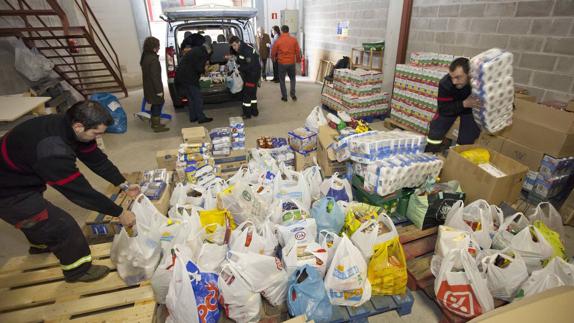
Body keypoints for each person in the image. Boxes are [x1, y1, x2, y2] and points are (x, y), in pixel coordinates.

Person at [0, 101, 140, 283]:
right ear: (79, 126)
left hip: (19, 174)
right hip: (7, 191)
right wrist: (119, 212)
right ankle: (78, 270)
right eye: (96, 133)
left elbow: (96, 160)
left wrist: (122, 183)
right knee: (62, 226)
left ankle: (40, 245)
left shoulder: (69, 127)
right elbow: (79, 192)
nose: (98, 137)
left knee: (36, 217)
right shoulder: (52, 150)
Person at [425, 57, 481, 153]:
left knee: (468, 137)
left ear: (469, 74)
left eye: (458, 77)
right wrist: (464, 104)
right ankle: (429, 153)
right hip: (451, 106)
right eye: (452, 77)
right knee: (436, 129)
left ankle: (459, 157)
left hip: (470, 108)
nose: (454, 81)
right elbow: (443, 109)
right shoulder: (445, 83)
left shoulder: (479, 80)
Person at [175, 37, 213, 124]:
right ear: (208, 49)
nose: (209, 55)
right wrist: (205, 70)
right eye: (210, 53)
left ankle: (193, 117)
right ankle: (201, 118)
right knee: (198, 98)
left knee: (191, 98)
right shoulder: (203, 53)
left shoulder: (196, 50)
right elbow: (199, 68)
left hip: (181, 76)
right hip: (189, 77)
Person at [140, 36, 168, 133]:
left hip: (148, 87)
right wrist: (159, 91)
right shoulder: (153, 60)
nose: (159, 48)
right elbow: (155, 77)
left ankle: (154, 123)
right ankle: (156, 125)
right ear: (154, 47)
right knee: (157, 105)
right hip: (154, 88)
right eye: (158, 46)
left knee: (155, 105)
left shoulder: (145, 57)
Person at [229, 35, 261, 119]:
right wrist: (235, 59)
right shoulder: (241, 49)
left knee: (246, 94)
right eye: (232, 46)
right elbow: (242, 59)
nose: (234, 48)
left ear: (238, 42)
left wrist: (239, 69)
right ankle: (254, 111)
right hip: (250, 74)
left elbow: (250, 65)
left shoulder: (246, 50)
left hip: (252, 75)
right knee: (252, 94)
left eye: (234, 45)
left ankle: (247, 114)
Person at [271, 25, 301, 102]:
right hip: (291, 63)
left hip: (281, 63)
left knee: (282, 80)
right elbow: (298, 51)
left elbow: (273, 51)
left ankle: (284, 97)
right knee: (292, 79)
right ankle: (293, 95)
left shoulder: (278, 40)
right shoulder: (294, 40)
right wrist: (298, 60)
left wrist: (273, 58)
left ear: (281, 31)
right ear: (288, 31)